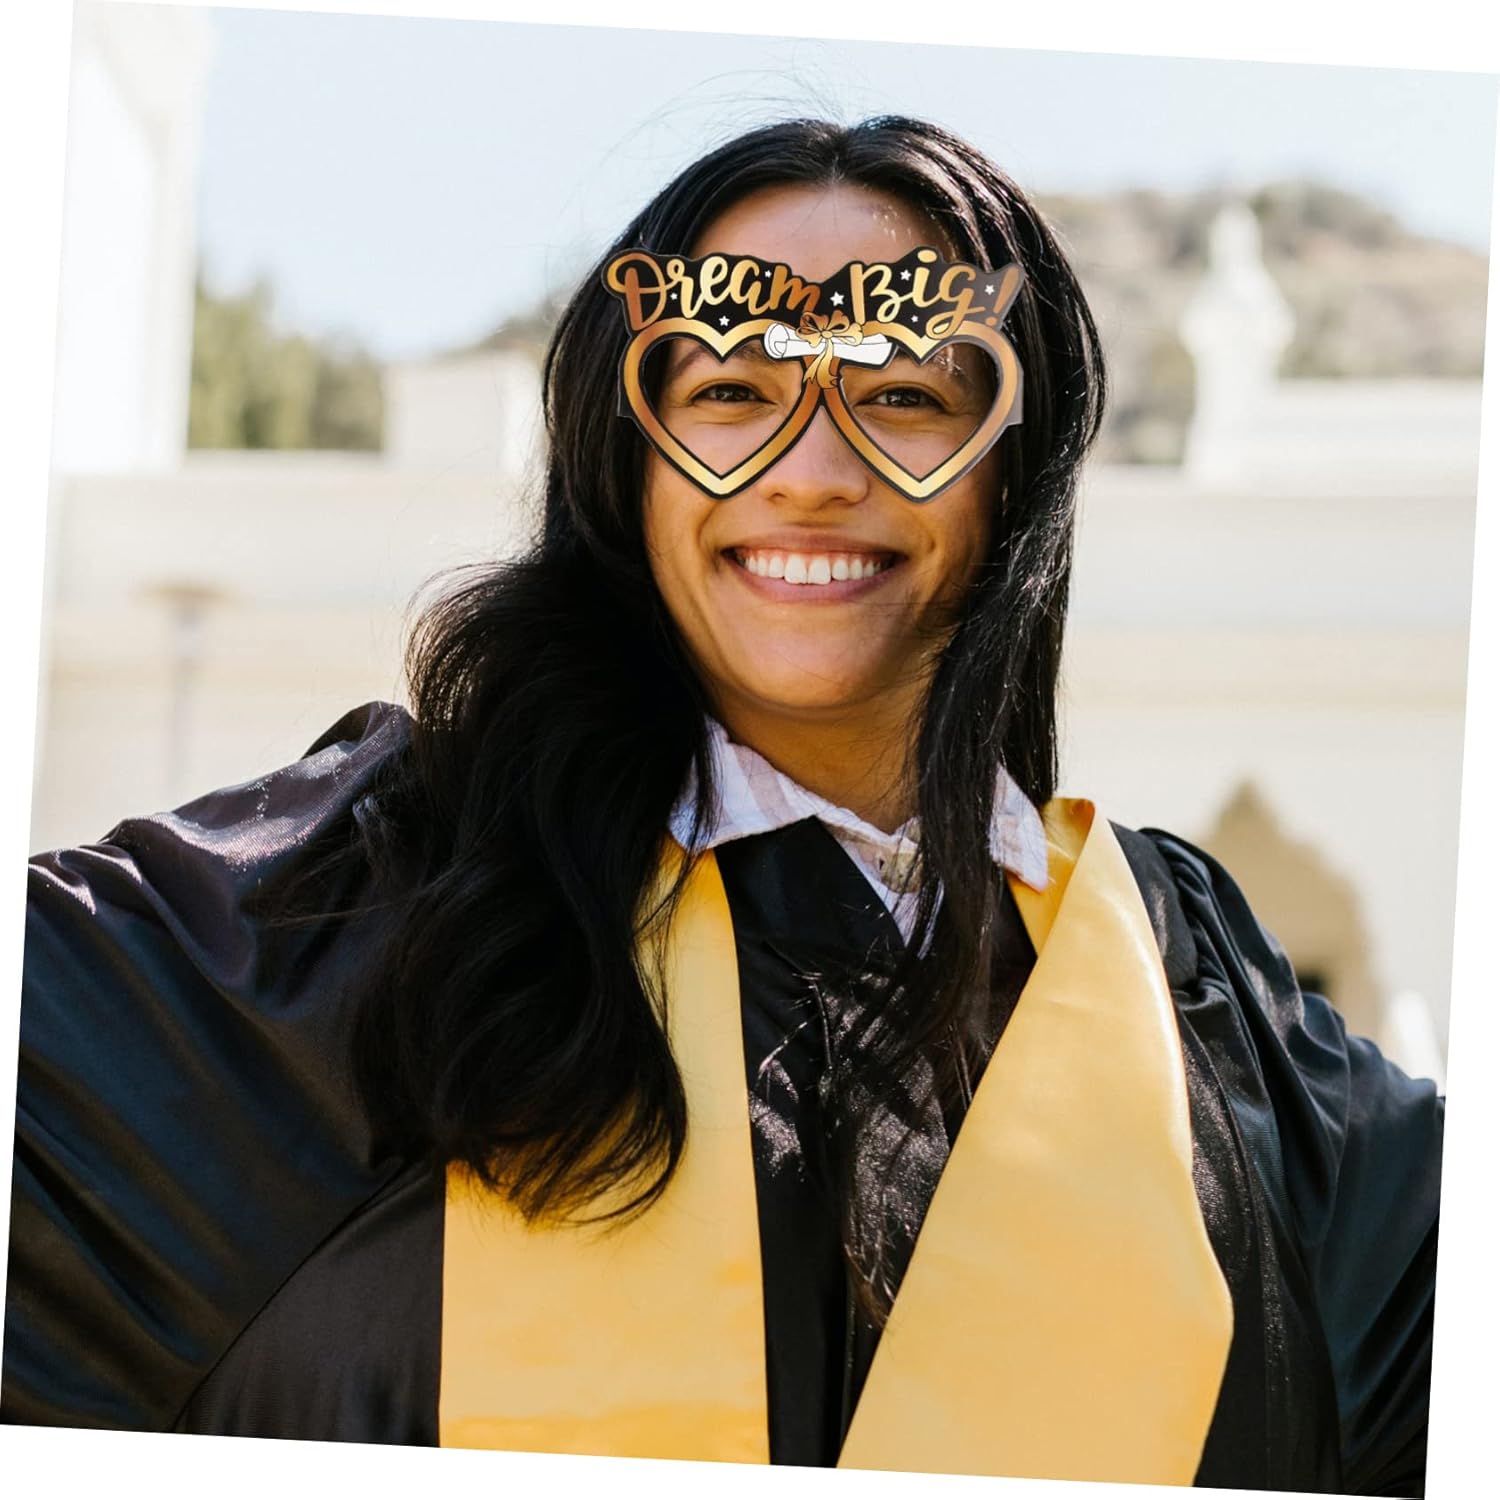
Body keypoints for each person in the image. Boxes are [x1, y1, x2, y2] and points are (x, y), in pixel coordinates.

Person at [2, 117, 1441, 1494]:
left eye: (905, 395)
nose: (811, 474)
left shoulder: (1195, 1011)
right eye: (731, 393)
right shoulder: (362, 908)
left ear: (1018, 473)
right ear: (625, 463)